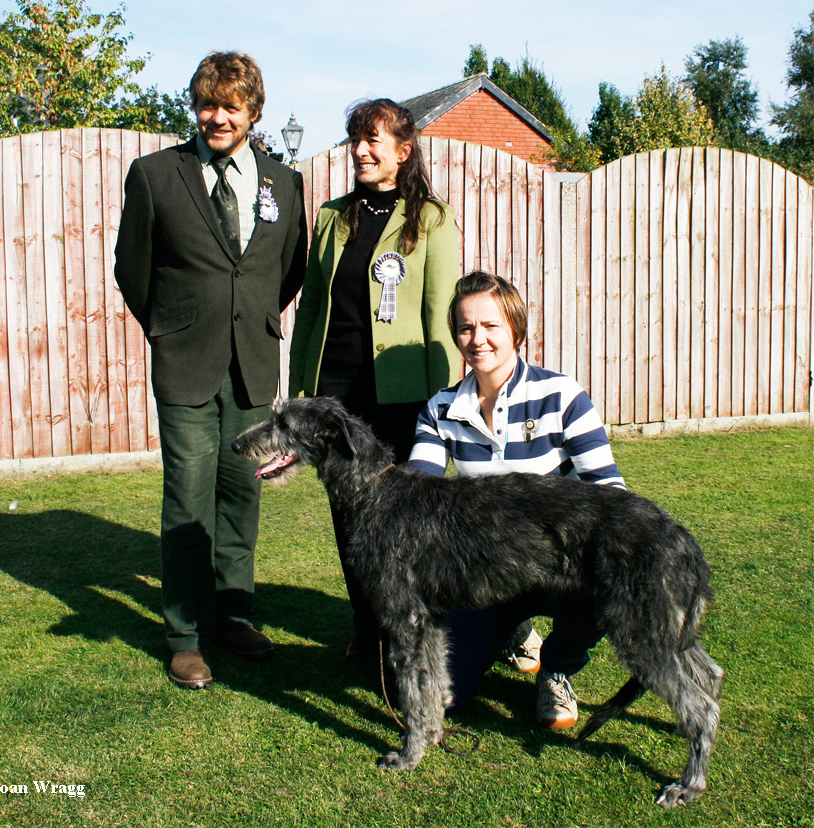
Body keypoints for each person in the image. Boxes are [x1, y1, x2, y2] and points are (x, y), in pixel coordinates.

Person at [114, 51, 307, 689]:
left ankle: (233, 615)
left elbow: (289, 270)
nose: (216, 117)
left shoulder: (285, 182)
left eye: (230, 107)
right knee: (188, 497)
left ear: (254, 112)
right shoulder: (154, 175)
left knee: (240, 496)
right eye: (207, 104)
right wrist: (170, 327)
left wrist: (246, 317)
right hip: (185, 364)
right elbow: (132, 271)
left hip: (252, 363)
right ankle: (185, 635)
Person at [409, 271, 626, 728]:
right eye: (466, 328)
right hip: (484, 571)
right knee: (449, 696)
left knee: (603, 582)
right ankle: (515, 630)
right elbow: (416, 495)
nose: (478, 339)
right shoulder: (439, 408)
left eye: (491, 326)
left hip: (560, 564)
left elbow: (610, 493)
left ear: (516, 330)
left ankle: (557, 668)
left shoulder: (561, 395)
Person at [289, 98, 461, 661]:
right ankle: (367, 631)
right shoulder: (332, 216)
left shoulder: (430, 218)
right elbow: (312, 306)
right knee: (349, 516)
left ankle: (407, 631)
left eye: (373, 141)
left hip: (404, 394)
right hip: (336, 396)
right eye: (355, 141)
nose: (360, 152)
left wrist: (446, 400)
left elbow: (440, 316)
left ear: (402, 151)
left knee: (409, 522)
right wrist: (302, 392)